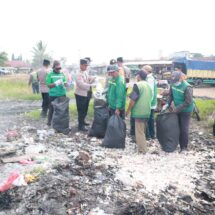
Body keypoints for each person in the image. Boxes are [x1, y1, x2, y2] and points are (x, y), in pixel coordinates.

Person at [126, 70, 152, 154]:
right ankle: (143, 147)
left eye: (137, 75)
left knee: (139, 132)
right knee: (142, 130)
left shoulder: (137, 85)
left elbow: (132, 100)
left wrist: (128, 111)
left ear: (139, 76)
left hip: (139, 111)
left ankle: (143, 150)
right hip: (147, 111)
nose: (136, 76)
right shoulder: (148, 85)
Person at [168, 70, 194, 153]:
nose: (174, 83)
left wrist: (177, 109)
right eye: (173, 81)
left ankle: (184, 148)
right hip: (177, 109)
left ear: (180, 79)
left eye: (176, 81)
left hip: (186, 110)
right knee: (177, 127)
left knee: (184, 129)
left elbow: (188, 101)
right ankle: (178, 144)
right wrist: (167, 104)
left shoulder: (187, 87)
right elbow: (171, 95)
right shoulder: (172, 84)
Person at [75, 59, 96, 131]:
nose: (86, 67)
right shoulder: (78, 74)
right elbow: (81, 84)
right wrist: (91, 85)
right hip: (81, 94)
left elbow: (88, 79)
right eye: (85, 65)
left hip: (87, 93)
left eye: (87, 65)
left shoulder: (85, 72)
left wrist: (93, 78)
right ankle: (80, 126)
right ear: (81, 65)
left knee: (85, 109)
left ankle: (83, 121)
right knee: (81, 110)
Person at [46, 60, 67, 126]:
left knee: (62, 109)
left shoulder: (62, 74)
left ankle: (60, 122)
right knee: (51, 109)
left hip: (62, 94)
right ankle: (49, 122)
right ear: (53, 67)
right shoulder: (50, 75)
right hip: (53, 95)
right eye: (57, 68)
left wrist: (65, 84)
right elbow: (49, 85)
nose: (58, 70)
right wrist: (56, 83)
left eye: (59, 68)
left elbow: (65, 83)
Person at [143, 65, 157, 139]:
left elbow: (150, 91)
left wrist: (148, 102)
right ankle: (151, 135)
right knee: (150, 119)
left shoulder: (150, 79)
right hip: (150, 102)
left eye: (143, 70)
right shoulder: (148, 78)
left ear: (147, 71)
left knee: (149, 119)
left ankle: (150, 135)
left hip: (150, 103)